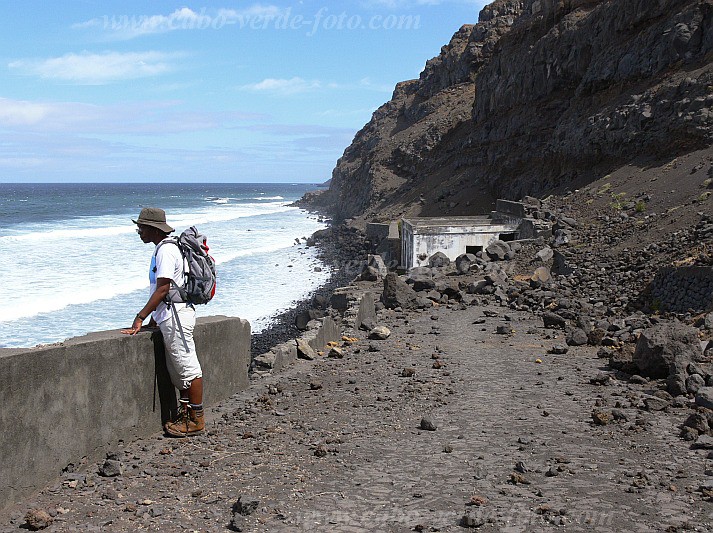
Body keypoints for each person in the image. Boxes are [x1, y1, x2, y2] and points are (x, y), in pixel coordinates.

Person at [121, 207, 204, 437]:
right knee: (178, 370)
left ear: (153, 228)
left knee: (188, 369)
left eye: (141, 227)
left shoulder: (166, 251)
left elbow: (163, 289)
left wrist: (140, 317)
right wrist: (156, 319)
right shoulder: (166, 248)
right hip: (171, 315)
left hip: (175, 316)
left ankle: (196, 420)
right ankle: (186, 415)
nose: (138, 231)